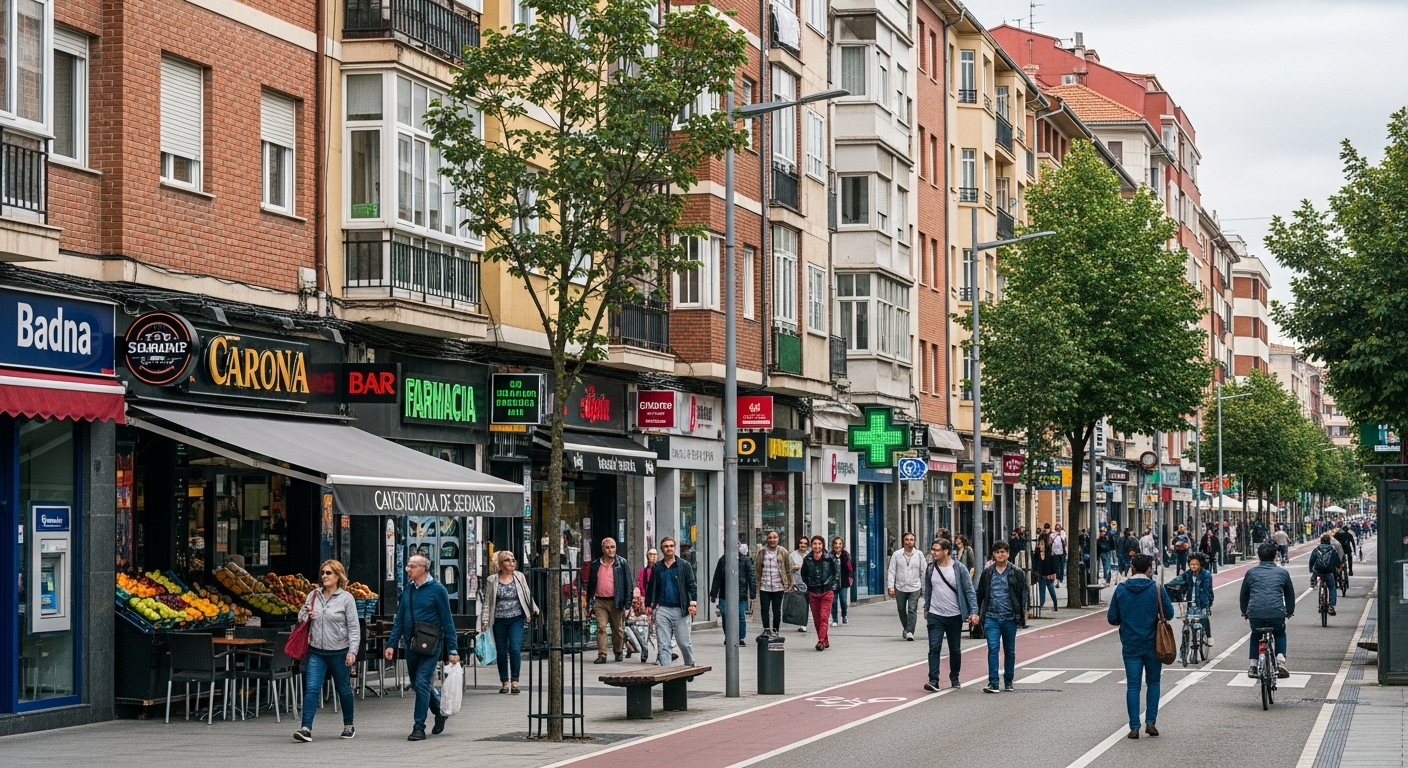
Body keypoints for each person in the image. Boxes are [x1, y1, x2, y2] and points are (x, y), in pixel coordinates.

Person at [385, 554, 459, 741]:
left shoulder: (438, 590)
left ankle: (419, 727)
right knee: (419, 685)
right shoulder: (409, 590)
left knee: (423, 682)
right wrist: (392, 644)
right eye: (408, 566)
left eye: (412, 566)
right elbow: (400, 619)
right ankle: (439, 713)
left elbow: (447, 621)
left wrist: (452, 649)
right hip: (411, 644)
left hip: (431, 644)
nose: (408, 569)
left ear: (424, 568)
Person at [1107, 553, 1176, 740]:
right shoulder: (1156, 588)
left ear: (1132, 568)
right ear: (1148, 570)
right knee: (1153, 682)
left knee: (1133, 686)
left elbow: (1112, 618)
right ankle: (1151, 721)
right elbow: (1169, 614)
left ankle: (1134, 727)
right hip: (1154, 643)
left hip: (1130, 644)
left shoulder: (1121, 589)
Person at [293, 560, 359, 742]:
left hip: (339, 650)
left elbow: (354, 627)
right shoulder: (313, 595)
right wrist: (307, 614)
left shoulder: (346, 598)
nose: (324, 576)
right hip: (316, 651)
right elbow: (301, 617)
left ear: (338, 576)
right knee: (312, 688)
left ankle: (348, 725)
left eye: (328, 573)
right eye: (322, 573)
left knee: (343, 688)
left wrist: (352, 651)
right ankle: (306, 728)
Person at [923, 538, 979, 691]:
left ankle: (954, 676)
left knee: (954, 649)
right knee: (934, 647)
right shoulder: (930, 568)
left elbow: (969, 591)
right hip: (935, 614)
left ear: (946, 551)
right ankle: (933, 680)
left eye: (936, 550)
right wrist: (927, 607)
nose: (933, 553)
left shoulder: (959, 568)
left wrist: (974, 611)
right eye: (932, 549)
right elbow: (928, 590)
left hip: (954, 615)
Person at [480, 550, 537, 694]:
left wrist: (532, 610)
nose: (511, 562)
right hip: (498, 619)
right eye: (507, 560)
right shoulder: (492, 580)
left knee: (515, 649)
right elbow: (487, 601)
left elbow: (527, 594)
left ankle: (515, 682)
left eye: (513, 559)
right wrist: (485, 619)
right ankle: (505, 682)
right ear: (500, 564)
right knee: (501, 651)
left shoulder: (519, 577)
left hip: (516, 618)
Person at [976, 541, 1028, 693]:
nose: (1000, 554)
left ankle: (1009, 680)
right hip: (991, 617)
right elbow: (980, 593)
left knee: (1009, 650)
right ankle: (993, 682)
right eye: (998, 552)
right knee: (993, 648)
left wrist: (1023, 610)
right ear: (994, 554)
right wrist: (976, 613)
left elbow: (1023, 592)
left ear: (1008, 554)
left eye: (1003, 552)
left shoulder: (1016, 572)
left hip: (1009, 617)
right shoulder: (988, 573)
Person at [1241, 541, 1297, 678]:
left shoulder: (1251, 573)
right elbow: (1289, 594)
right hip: (1276, 612)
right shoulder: (1283, 573)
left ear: (1258, 556)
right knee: (1279, 633)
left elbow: (1244, 594)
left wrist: (1244, 611)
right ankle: (1280, 660)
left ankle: (1253, 665)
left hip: (1255, 613)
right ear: (1275, 556)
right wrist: (1289, 611)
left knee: (1255, 634)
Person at [645, 537, 697, 666]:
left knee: (684, 643)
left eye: (671, 546)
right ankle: (666, 673)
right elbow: (651, 587)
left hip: (681, 610)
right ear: (662, 549)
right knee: (663, 644)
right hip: (662, 609)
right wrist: (648, 605)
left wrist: (693, 603)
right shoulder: (657, 567)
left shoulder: (684, 565)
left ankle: (689, 665)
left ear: (675, 548)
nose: (669, 548)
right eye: (666, 546)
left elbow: (692, 585)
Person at [584, 537, 632, 664]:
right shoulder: (595, 565)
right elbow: (591, 585)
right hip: (600, 601)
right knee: (601, 627)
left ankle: (618, 651)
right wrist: (588, 603)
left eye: (613, 547)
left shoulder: (622, 563)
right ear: (603, 549)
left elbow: (628, 584)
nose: (610, 550)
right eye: (607, 547)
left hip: (616, 601)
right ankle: (602, 654)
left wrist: (627, 605)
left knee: (618, 629)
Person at [710, 542, 757, 646]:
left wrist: (752, 593)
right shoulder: (723, 560)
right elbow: (717, 577)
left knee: (740, 615)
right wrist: (713, 594)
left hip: (741, 594)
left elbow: (751, 577)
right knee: (725, 614)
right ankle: (728, 636)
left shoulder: (745, 560)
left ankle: (740, 637)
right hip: (724, 594)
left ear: (739, 547)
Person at [800, 535, 838, 651]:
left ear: (823, 545)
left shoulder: (829, 558)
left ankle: (820, 641)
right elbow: (804, 575)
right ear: (811, 545)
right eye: (815, 544)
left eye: (819, 544)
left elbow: (835, 573)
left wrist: (831, 584)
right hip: (813, 592)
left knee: (823, 617)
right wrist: (810, 583)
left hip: (827, 591)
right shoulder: (807, 559)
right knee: (817, 618)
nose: (817, 546)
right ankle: (824, 639)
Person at [753, 530, 794, 635]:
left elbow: (788, 567)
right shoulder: (761, 553)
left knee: (776, 609)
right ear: (767, 539)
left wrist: (791, 581)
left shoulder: (783, 551)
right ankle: (766, 628)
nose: (772, 540)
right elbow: (757, 569)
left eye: (775, 537)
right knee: (764, 609)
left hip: (778, 586)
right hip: (764, 586)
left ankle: (776, 629)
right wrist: (757, 583)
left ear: (778, 539)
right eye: (770, 537)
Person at [887, 532, 925, 641]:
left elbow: (924, 571)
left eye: (911, 539)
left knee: (912, 609)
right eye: (907, 539)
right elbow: (891, 571)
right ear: (903, 541)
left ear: (914, 541)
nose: (909, 542)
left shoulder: (919, 554)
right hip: (900, 586)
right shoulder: (897, 554)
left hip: (915, 586)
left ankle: (910, 632)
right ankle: (906, 628)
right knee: (901, 609)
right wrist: (891, 586)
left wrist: (924, 587)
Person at [1181, 554, 1214, 661]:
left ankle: (1208, 636)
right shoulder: (1186, 575)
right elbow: (1182, 590)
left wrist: (1208, 605)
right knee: (1186, 624)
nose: (1193, 566)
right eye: (1191, 564)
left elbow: (1207, 590)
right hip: (1190, 603)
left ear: (1200, 564)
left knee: (1204, 618)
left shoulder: (1206, 575)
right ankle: (1183, 651)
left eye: (1196, 564)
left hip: (1202, 602)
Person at [1309, 532, 1342, 616]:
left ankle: (1313, 583)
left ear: (1321, 541)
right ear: (1329, 541)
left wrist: (1311, 569)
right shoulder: (1332, 550)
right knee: (1332, 586)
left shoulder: (1317, 549)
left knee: (1315, 572)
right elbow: (1337, 561)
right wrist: (1338, 567)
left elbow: (1312, 560)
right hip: (1328, 571)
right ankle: (1331, 606)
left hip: (1318, 570)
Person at [830, 537, 854, 626]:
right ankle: (835, 620)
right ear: (833, 545)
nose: (837, 545)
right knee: (834, 602)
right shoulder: (829, 556)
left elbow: (851, 568)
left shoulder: (846, 555)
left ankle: (844, 615)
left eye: (839, 544)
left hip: (843, 582)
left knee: (843, 601)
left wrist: (850, 578)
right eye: (836, 543)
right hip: (833, 583)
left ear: (842, 545)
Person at [1032, 536, 1059, 612]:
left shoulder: (1049, 555)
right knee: (1041, 591)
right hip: (1041, 576)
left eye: (1042, 544)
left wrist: (1053, 574)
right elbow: (1035, 565)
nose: (1040, 546)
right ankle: (1041, 604)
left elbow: (1053, 566)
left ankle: (1055, 604)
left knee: (1051, 590)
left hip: (1049, 576)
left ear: (1045, 545)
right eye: (1039, 544)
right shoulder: (1036, 555)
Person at [790, 537, 810, 633]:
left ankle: (804, 622)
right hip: (797, 583)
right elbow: (788, 569)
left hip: (809, 583)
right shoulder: (793, 555)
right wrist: (794, 568)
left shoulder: (810, 555)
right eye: (801, 543)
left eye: (805, 543)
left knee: (807, 604)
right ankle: (802, 624)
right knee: (802, 604)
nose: (803, 545)